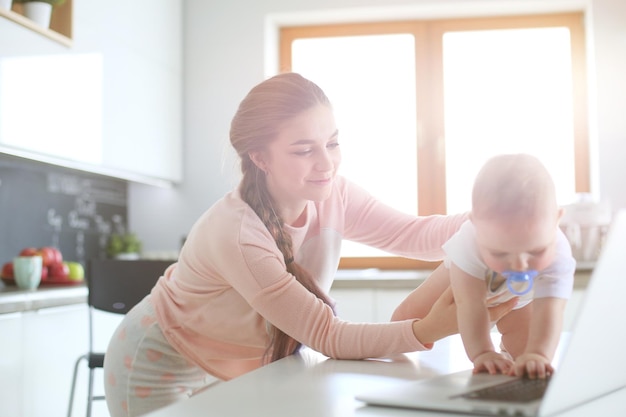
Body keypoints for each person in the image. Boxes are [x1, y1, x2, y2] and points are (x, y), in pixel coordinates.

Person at [103, 73, 515, 417]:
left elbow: (417, 235)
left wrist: (502, 218)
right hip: (159, 363)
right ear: (261, 157)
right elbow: (327, 335)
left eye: (332, 143)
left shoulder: (335, 194)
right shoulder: (237, 233)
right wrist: (428, 330)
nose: (326, 163)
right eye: (304, 150)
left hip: (241, 363)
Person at [392, 153, 576, 379]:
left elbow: (550, 308)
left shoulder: (559, 253)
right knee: (404, 321)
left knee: (525, 354)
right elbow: (470, 304)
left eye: (536, 251)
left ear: (557, 220)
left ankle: (509, 356)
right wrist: (482, 353)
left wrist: (539, 355)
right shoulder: (469, 242)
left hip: (519, 298)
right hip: (464, 281)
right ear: (476, 225)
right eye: (501, 252)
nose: (519, 264)